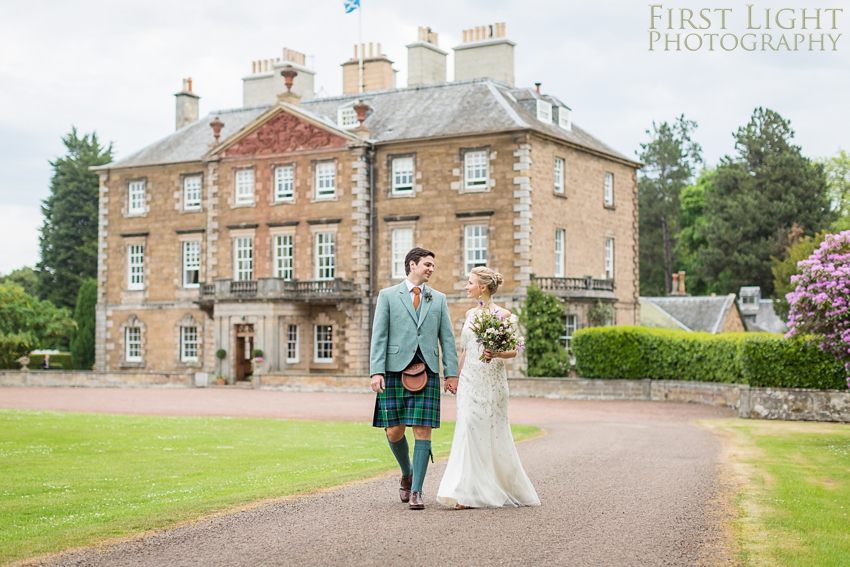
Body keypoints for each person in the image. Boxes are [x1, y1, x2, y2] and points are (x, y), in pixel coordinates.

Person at [437, 266, 540, 509]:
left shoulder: (505, 315)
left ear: (483, 287)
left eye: (470, 282)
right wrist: (454, 376)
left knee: (492, 433)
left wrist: (495, 353)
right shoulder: (470, 314)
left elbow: (514, 350)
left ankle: (487, 489)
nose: (466, 286)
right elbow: (465, 350)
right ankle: (465, 491)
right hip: (469, 382)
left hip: (492, 382)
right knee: (468, 427)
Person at [371, 247, 459, 510]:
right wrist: (376, 370)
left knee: (423, 431)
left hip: (427, 370)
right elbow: (379, 336)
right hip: (394, 370)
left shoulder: (438, 299)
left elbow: (447, 339)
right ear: (412, 265)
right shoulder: (387, 296)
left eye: (433, 265)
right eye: (427, 264)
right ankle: (407, 472)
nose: (431, 269)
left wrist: (451, 373)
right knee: (394, 430)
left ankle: (417, 492)